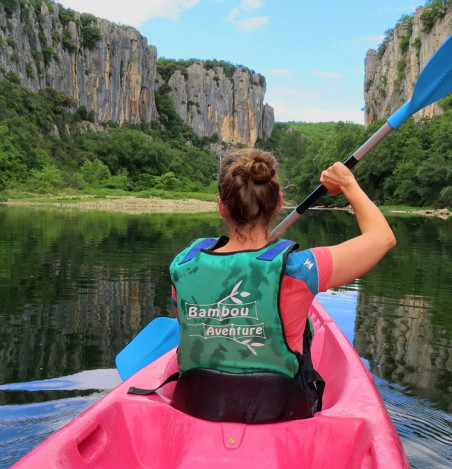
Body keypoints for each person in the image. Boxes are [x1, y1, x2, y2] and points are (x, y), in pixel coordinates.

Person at [168, 148, 395, 423]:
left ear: (221, 206)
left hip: (197, 406)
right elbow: (382, 238)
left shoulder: (183, 266)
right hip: (278, 412)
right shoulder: (299, 270)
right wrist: (348, 183)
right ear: (278, 204)